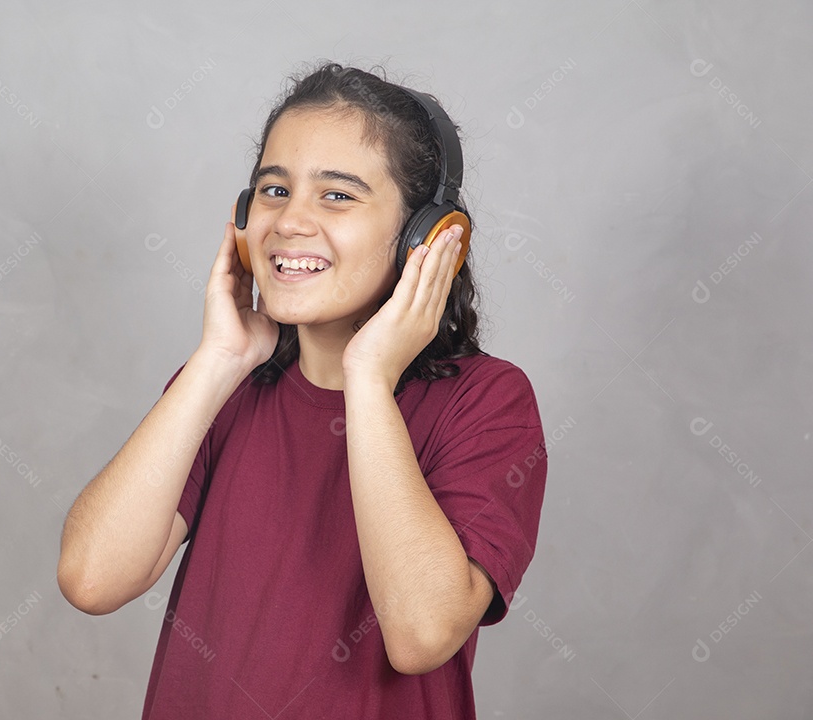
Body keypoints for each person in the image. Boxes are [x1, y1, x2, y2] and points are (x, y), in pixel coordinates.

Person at [57, 61, 548, 719]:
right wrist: (217, 359)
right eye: (272, 191)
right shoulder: (223, 388)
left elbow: (421, 632)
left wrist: (368, 381)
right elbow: (92, 579)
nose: (290, 222)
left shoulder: (489, 402)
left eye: (338, 195)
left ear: (427, 239)